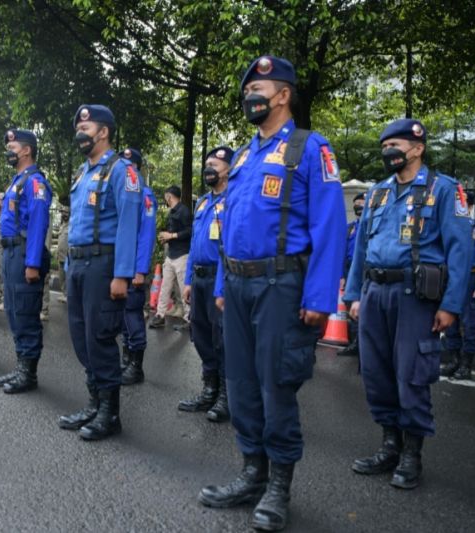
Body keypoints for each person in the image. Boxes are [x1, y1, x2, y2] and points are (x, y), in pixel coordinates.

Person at [198, 56, 345, 532]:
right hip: (237, 283)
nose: (249, 97)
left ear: (283, 94)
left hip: (282, 286)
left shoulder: (309, 148)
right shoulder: (242, 156)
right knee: (239, 382)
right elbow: (232, 226)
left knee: (275, 385)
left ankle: (279, 486)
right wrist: (222, 284)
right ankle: (251, 474)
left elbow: (331, 227)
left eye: (258, 89)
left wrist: (320, 299)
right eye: (247, 91)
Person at [345, 118, 472, 490]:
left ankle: (412, 454)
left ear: (417, 148)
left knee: (411, 374)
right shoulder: (378, 193)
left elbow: (460, 252)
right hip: (374, 294)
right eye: (385, 146)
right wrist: (353, 295)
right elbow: (361, 248)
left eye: (396, 145)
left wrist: (450, 306)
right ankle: (389, 445)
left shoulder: (444, 190)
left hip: (414, 298)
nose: (389, 152)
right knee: (376, 373)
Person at [58, 104, 143, 441]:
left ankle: (110, 413)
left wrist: (122, 274)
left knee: (101, 338)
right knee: (81, 338)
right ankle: (94, 403)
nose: (81, 132)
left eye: (87, 126)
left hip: (103, 264)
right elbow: (76, 224)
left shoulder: (122, 171)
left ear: (103, 131)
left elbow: (128, 223)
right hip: (78, 264)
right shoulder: (82, 173)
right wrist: (67, 265)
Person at [0, 128, 52, 394]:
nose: (9, 150)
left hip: (25, 252)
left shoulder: (34, 181)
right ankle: (21, 366)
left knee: (26, 312)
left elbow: (38, 224)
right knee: (14, 311)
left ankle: (29, 373)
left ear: (26, 150)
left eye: (13, 146)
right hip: (11, 252)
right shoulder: (18, 180)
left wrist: (33, 263)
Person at [178, 146, 233, 421]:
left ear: (229, 169)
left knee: (221, 337)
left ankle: (226, 396)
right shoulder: (202, 203)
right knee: (199, 334)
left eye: (215, 164)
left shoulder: (234, 200)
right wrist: (187, 280)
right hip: (198, 277)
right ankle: (209, 389)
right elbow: (193, 243)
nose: (209, 168)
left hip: (220, 277)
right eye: (207, 163)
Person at [119, 148, 156, 386]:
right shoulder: (121, 192)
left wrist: (141, 269)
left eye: (131, 165)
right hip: (120, 265)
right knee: (122, 314)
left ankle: (136, 365)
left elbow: (147, 234)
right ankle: (126, 357)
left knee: (132, 314)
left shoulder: (145, 194)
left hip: (134, 267)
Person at [440, 191, 475, 380]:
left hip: (470, 280)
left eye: (463, 202)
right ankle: (453, 360)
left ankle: (466, 364)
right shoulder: (448, 227)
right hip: (450, 279)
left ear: (470, 206)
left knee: (469, 324)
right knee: (450, 322)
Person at [149, 185, 191, 328]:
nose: (165, 199)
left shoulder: (184, 211)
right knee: (165, 286)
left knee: (184, 287)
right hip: (171, 254)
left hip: (182, 255)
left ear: (170, 196)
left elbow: (189, 231)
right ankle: (160, 314)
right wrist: (167, 238)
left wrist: (171, 235)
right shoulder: (172, 212)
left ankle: (189, 318)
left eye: (166, 196)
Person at [337, 192, 366, 357]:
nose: (359, 205)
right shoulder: (350, 228)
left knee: (364, 307)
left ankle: (364, 344)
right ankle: (355, 342)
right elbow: (341, 252)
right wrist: (341, 275)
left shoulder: (368, 226)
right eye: (356, 203)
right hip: (349, 270)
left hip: (365, 269)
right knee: (351, 306)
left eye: (362, 202)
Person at [57, 205, 70, 304]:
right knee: (61, 276)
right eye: (63, 213)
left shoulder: (71, 224)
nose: (64, 215)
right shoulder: (62, 225)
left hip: (67, 256)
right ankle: (63, 293)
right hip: (60, 255)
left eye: (66, 213)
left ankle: (68, 294)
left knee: (67, 276)